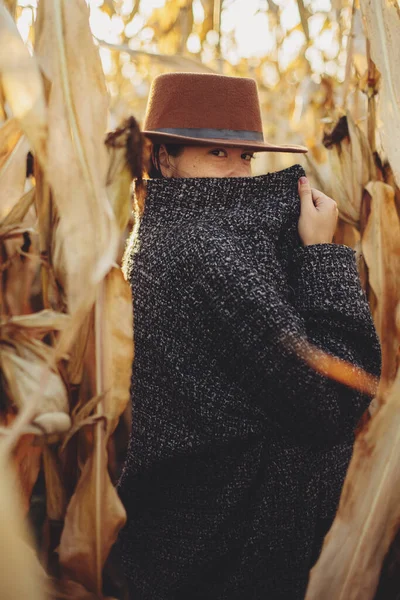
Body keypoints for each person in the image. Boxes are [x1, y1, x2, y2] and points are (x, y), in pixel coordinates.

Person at [116, 72, 382, 599]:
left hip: (187, 538)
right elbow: (332, 400)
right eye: (218, 153)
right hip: (233, 549)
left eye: (247, 158)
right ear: (164, 157)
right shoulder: (210, 254)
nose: (238, 173)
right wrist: (321, 255)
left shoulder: (157, 234)